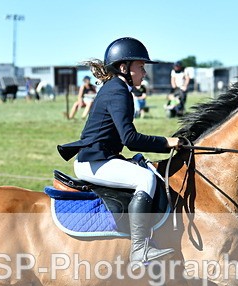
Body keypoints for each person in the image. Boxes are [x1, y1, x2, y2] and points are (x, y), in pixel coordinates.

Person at [58, 37, 181, 264]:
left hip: (100, 158)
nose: (144, 73)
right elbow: (130, 139)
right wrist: (167, 142)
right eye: (140, 67)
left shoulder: (116, 87)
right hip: (94, 162)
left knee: (146, 171)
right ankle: (139, 249)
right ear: (124, 67)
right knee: (146, 179)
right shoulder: (118, 91)